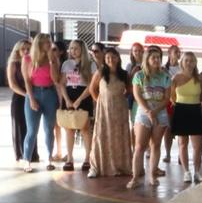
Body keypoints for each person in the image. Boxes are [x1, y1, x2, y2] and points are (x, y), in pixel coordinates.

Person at [86, 48, 133, 179]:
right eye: (107, 58)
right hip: (104, 110)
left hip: (120, 110)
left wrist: (121, 98)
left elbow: (129, 89)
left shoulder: (124, 74)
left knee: (119, 136)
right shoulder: (100, 72)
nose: (110, 60)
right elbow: (92, 89)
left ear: (118, 58)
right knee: (101, 136)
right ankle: (96, 166)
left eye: (113, 57)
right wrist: (100, 101)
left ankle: (121, 165)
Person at [129, 46, 172, 189]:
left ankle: (152, 175)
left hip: (160, 113)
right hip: (143, 113)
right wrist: (148, 111)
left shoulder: (165, 76)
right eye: (153, 57)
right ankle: (135, 177)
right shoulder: (139, 75)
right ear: (147, 59)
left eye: (158, 57)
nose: (156, 60)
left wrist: (156, 111)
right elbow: (137, 95)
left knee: (156, 145)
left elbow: (167, 98)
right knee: (140, 146)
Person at [20, 33, 61, 172]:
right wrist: (31, 99)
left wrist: (51, 61)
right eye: (46, 43)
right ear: (39, 44)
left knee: (49, 129)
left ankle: (48, 158)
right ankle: (27, 160)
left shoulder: (53, 58)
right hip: (34, 93)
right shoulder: (27, 59)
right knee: (32, 130)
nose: (49, 45)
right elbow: (27, 80)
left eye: (50, 42)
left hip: (50, 93)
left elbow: (56, 79)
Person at [168, 52, 202, 184]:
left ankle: (197, 172)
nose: (189, 63)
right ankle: (186, 172)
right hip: (181, 110)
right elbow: (171, 96)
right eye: (186, 60)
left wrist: (194, 102)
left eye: (192, 60)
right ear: (182, 62)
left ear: (195, 62)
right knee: (182, 143)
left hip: (196, 110)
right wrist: (180, 103)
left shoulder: (201, 78)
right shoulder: (176, 78)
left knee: (197, 145)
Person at [60, 39, 94, 172]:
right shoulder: (66, 64)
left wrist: (80, 99)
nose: (73, 51)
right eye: (71, 48)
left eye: (76, 48)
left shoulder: (91, 64)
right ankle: (70, 158)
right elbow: (62, 83)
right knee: (69, 129)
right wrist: (67, 99)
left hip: (84, 96)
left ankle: (87, 158)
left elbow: (91, 85)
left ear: (82, 50)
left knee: (85, 129)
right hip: (69, 96)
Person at [7, 39, 37, 166]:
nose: (26, 51)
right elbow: (12, 85)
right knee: (19, 126)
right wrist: (27, 95)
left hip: (32, 98)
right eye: (23, 49)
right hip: (20, 99)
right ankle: (20, 154)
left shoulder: (33, 63)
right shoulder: (13, 64)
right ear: (17, 51)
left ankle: (32, 154)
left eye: (28, 49)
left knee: (31, 127)